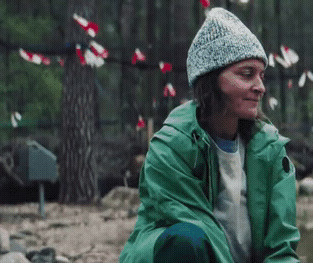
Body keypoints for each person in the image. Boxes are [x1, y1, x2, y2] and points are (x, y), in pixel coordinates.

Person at [119, 8, 300, 263]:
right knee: (187, 239)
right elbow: (201, 234)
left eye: (261, 75)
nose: (260, 87)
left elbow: (281, 249)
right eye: (246, 74)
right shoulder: (171, 147)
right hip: (182, 257)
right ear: (212, 78)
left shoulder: (272, 151)